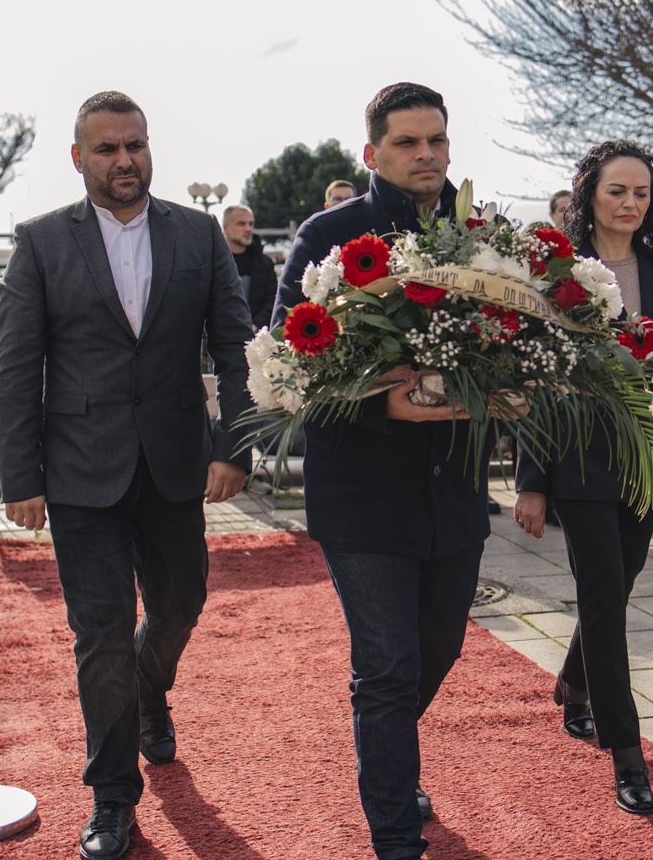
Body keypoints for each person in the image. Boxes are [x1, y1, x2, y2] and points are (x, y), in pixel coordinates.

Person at [0, 91, 254, 860]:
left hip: (176, 463)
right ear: (79, 158)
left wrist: (234, 446)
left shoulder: (198, 234)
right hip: (81, 471)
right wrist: (21, 476)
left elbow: (235, 347)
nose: (124, 160)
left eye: (135, 145)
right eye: (107, 149)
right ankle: (112, 796)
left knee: (181, 603)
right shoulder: (41, 242)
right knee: (99, 634)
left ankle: (150, 690)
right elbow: (18, 368)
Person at [273, 82, 491, 860]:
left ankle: (384, 751)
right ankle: (396, 832)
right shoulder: (329, 236)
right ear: (372, 153)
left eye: (437, 140)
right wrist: (384, 405)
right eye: (408, 142)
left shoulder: (481, 238)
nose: (426, 154)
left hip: (454, 490)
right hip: (362, 496)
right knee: (389, 668)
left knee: (439, 651)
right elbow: (286, 361)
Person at [513, 140, 653, 817]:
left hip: (647, 451)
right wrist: (532, 479)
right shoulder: (554, 268)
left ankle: (572, 680)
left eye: (641, 193)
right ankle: (626, 752)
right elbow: (532, 378)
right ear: (589, 192)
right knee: (601, 595)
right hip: (577, 451)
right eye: (617, 190)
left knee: (618, 584)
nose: (629, 203)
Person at [220, 204, 278, 329]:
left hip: (257, 334)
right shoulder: (214, 263)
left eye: (251, 224)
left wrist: (254, 326)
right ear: (225, 227)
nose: (248, 229)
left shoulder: (265, 264)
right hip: (221, 334)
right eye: (241, 224)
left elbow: (273, 300)